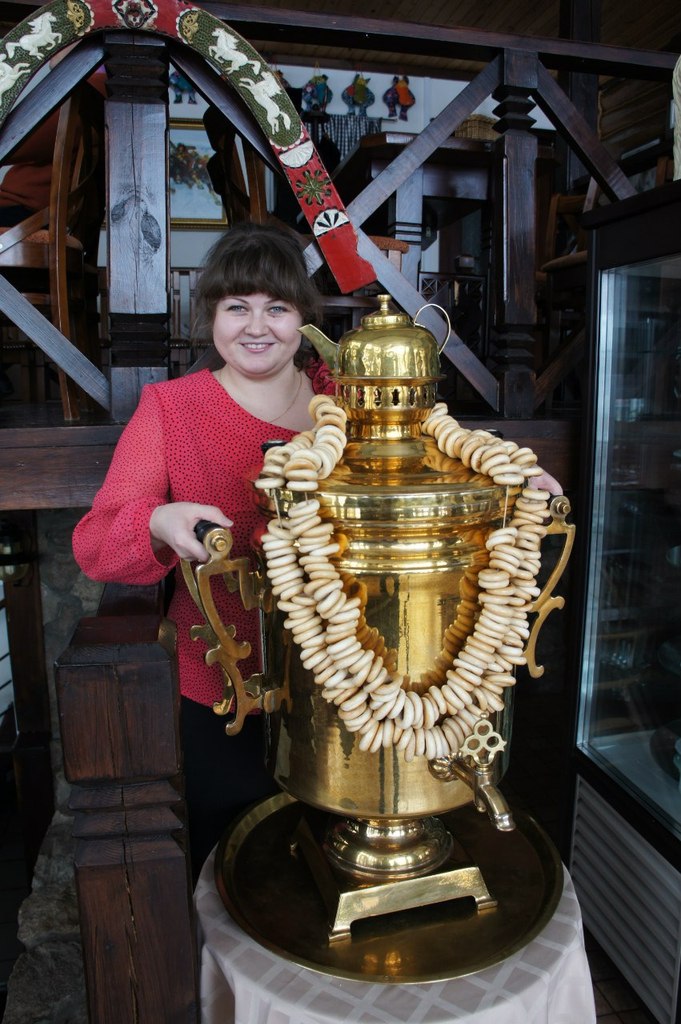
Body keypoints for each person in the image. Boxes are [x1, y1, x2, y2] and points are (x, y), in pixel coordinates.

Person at [72, 221, 335, 881]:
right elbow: (96, 544)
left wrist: (512, 482)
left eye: (277, 307)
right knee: (234, 863)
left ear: (304, 319)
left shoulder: (344, 399)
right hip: (223, 687)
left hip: (342, 681)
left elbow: (435, 457)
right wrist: (157, 519)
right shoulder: (171, 408)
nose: (257, 326)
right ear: (211, 316)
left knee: (335, 855)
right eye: (237, 306)